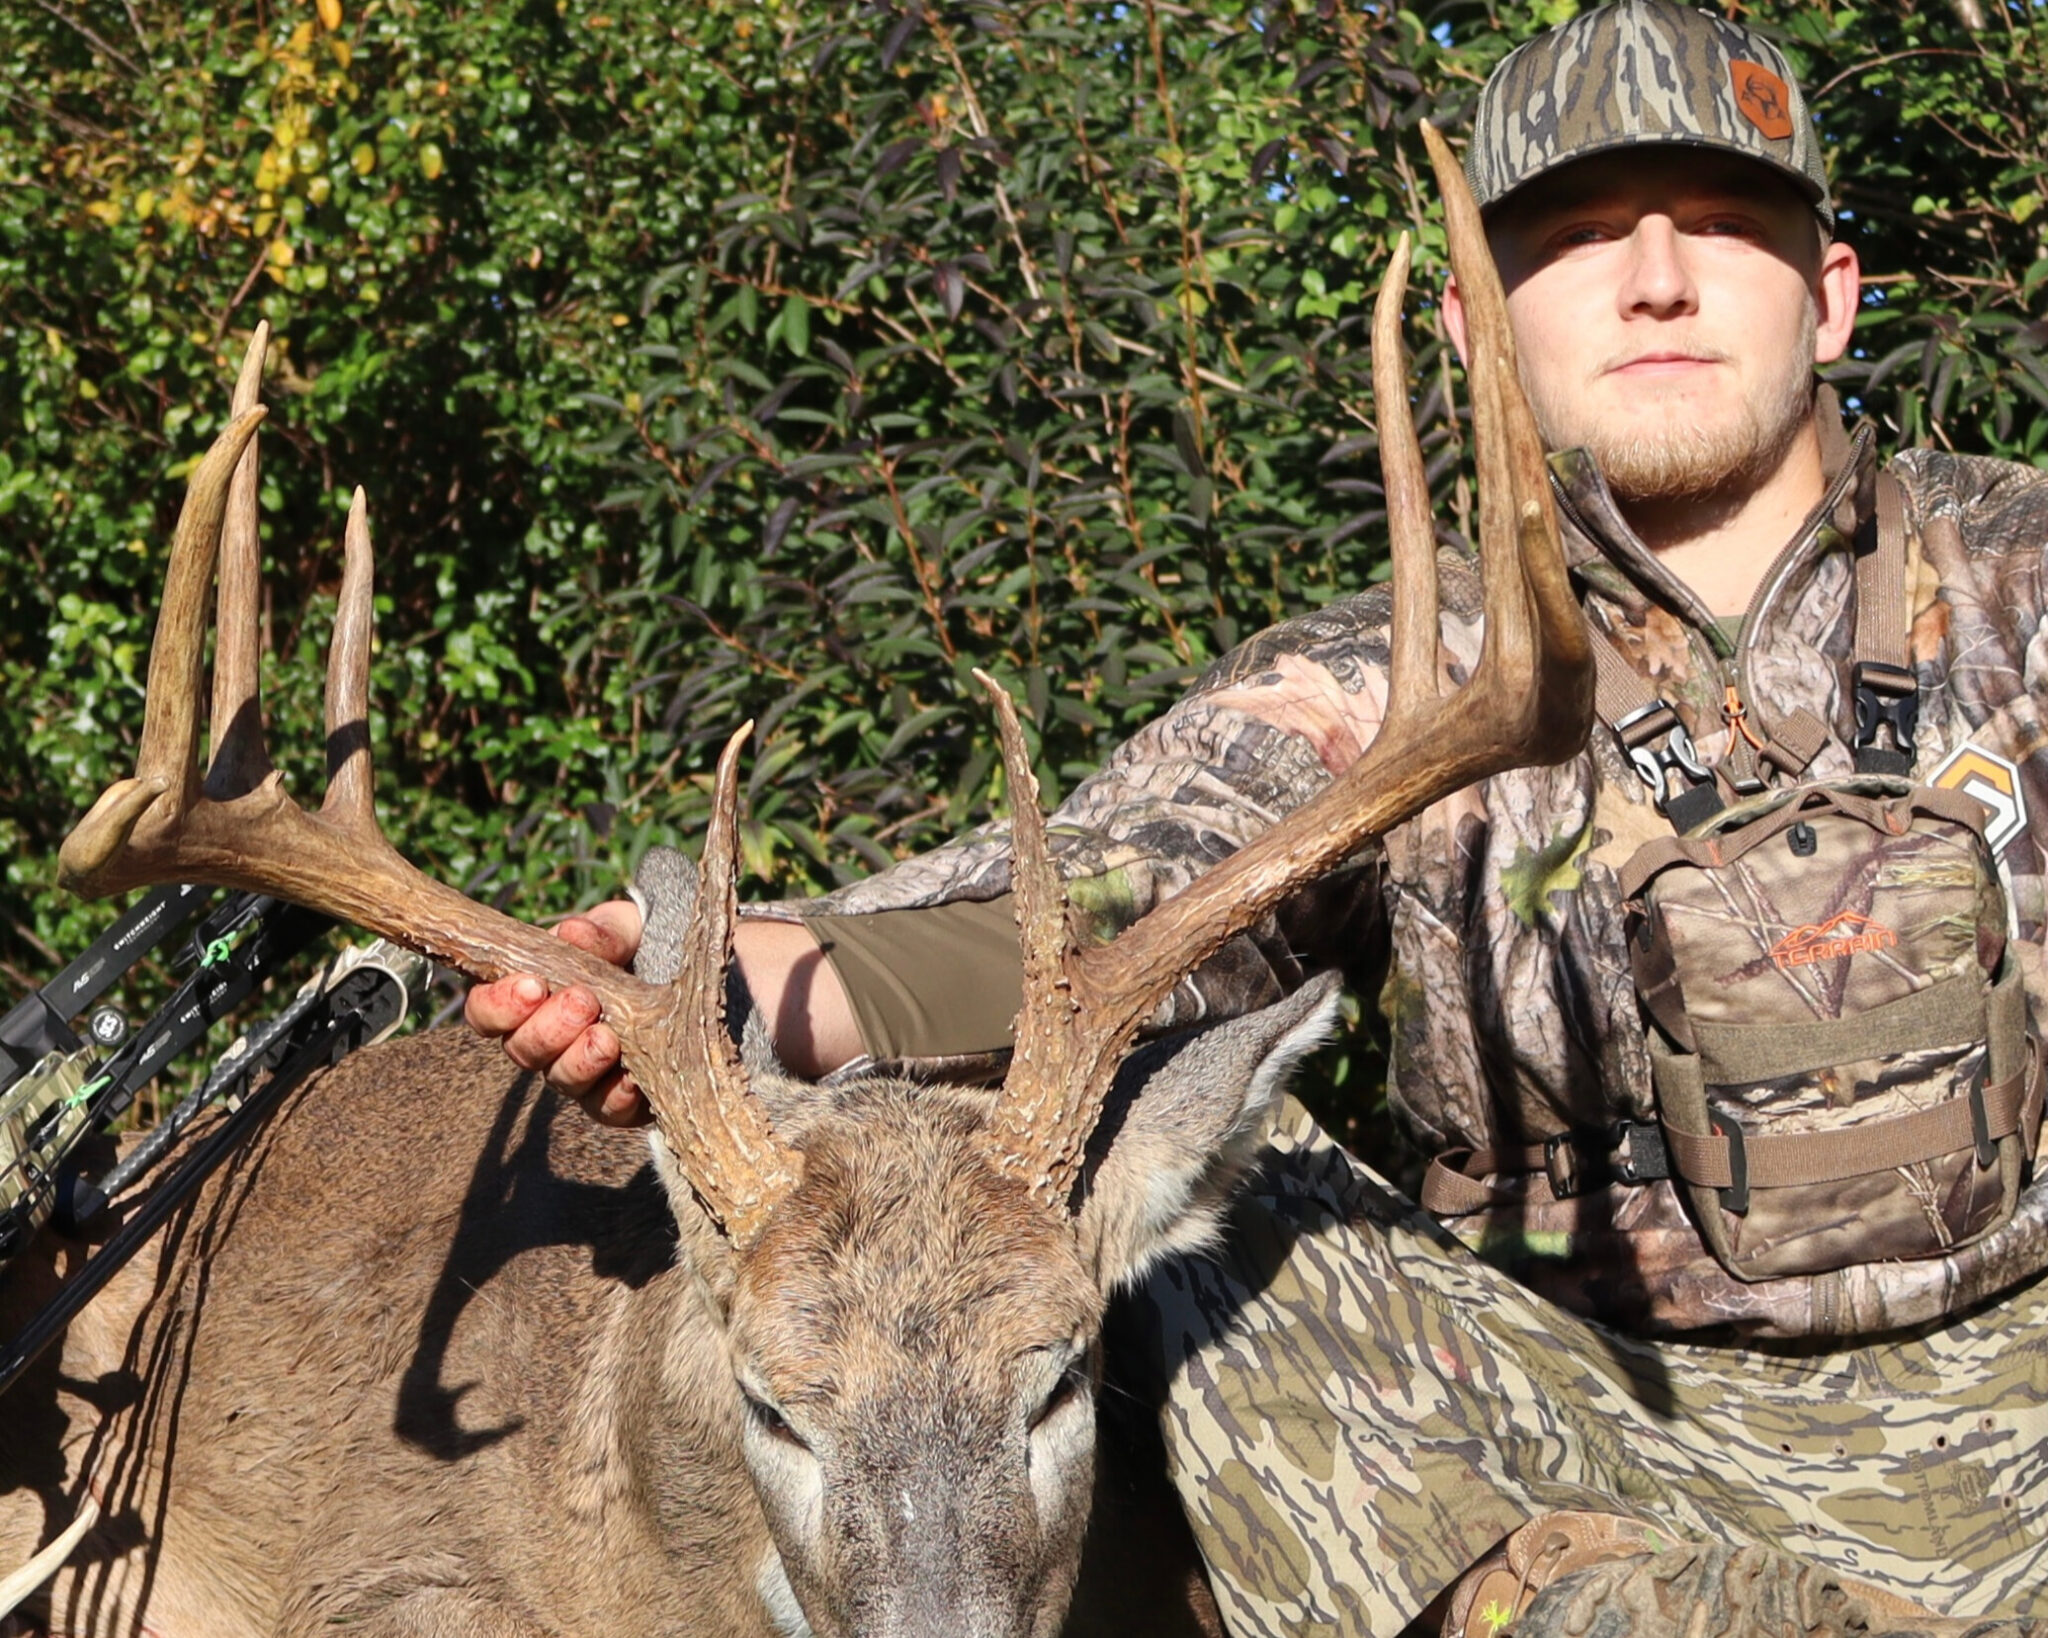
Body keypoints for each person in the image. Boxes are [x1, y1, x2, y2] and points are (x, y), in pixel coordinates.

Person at [470, 5, 2048, 1633]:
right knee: (1196, 1191)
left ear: (1833, 294)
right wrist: (749, 978)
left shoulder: (2023, 577)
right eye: (1579, 238)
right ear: (1473, 325)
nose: (1657, 278)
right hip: (1561, 1420)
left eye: (1721, 224)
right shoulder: (1396, 678)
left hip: (2024, 1374)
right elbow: (1115, 896)